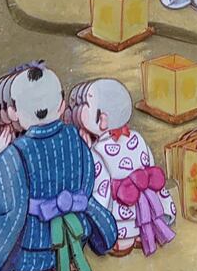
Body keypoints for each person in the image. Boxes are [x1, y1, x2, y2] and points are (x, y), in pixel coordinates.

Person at [0, 64, 117, 271]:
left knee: (16, 238)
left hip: (34, 247)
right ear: (61, 105)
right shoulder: (75, 138)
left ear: (14, 113)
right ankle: (69, 260)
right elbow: (87, 180)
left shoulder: (16, 152)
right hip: (74, 234)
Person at [67, 78, 177, 256]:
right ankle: (143, 233)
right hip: (147, 207)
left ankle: (123, 238)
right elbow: (149, 164)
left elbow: (100, 189)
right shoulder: (136, 137)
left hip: (121, 215)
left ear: (103, 119)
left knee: (117, 227)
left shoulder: (97, 150)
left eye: (85, 105)